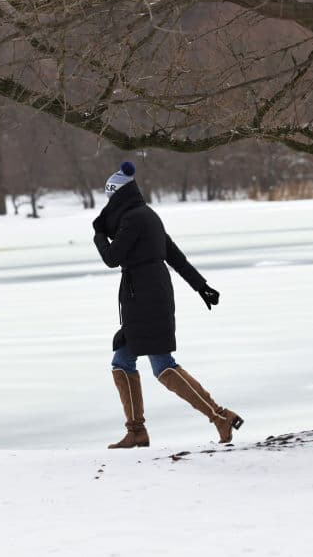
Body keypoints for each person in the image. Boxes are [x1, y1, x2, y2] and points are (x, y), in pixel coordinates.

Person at [93, 161, 243, 449]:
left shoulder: (135, 219)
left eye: (111, 196)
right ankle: (136, 431)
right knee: (122, 361)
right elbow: (175, 257)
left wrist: (99, 235)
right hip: (147, 295)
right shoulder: (147, 216)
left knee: (162, 365)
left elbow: (112, 257)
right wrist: (202, 287)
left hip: (146, 297)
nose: (109, 202)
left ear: (119, 194)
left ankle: (219, 416)